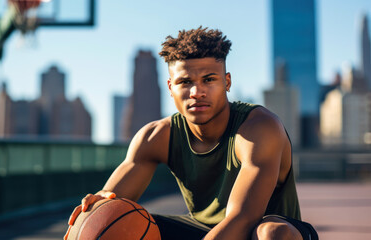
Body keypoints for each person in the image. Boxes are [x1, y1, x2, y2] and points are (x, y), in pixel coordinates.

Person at [64, 27, 318, 240]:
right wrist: (95, 213)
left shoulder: (258, 127)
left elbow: (243, 218)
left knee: (272, 233)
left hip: (259, 227)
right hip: (201, 231)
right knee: (119, 224)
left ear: (227, 82)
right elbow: (112, 199)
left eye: (209, 79)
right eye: (185, 82)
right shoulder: (156, 136)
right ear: (170, 87)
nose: (197, 92)